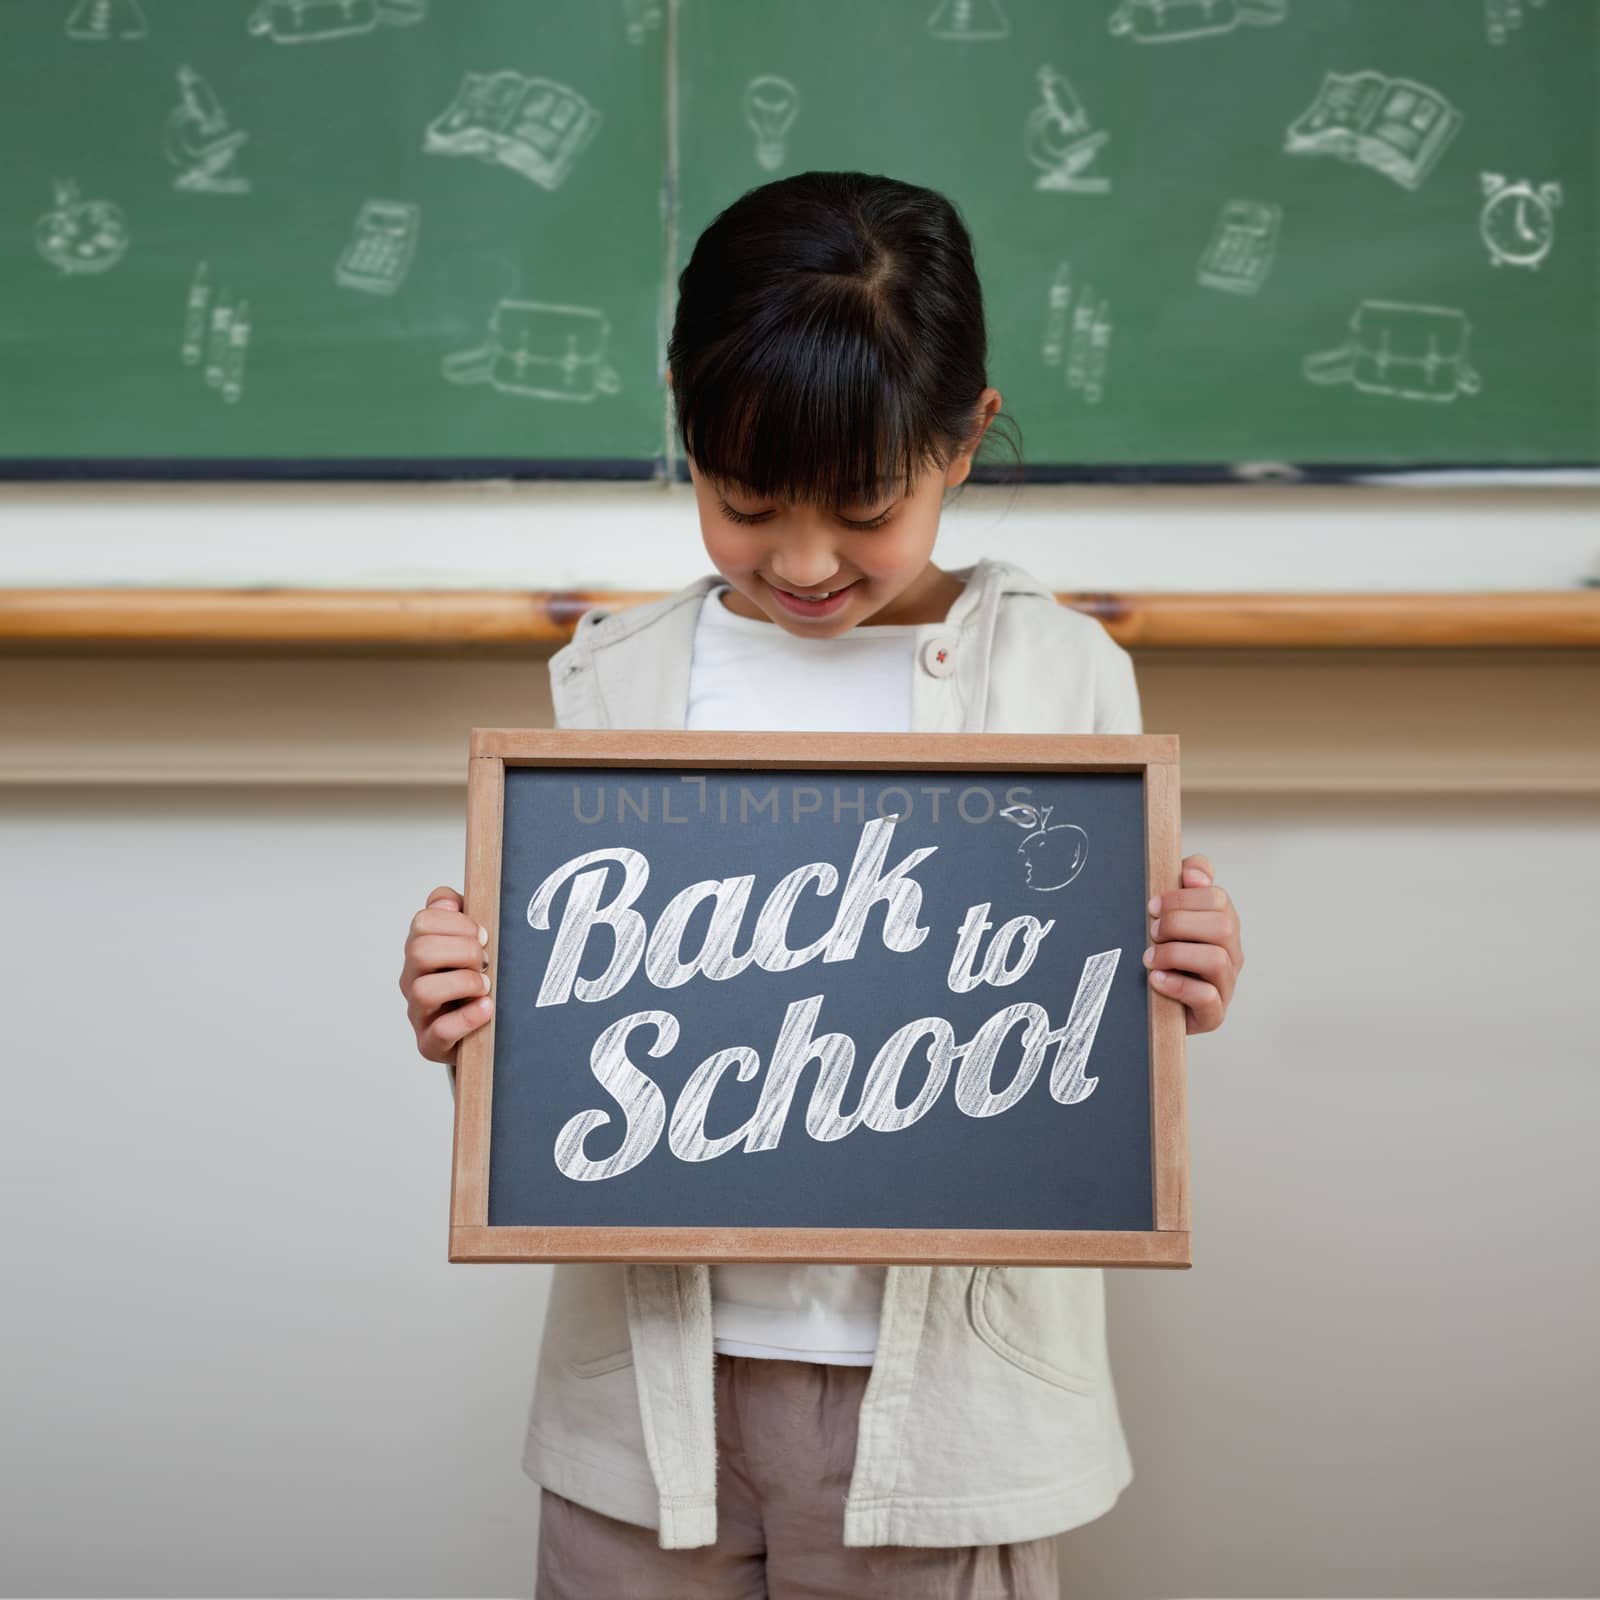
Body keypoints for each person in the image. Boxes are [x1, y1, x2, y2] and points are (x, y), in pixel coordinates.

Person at [398, 170, 1245, 1599]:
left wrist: (1181, 972)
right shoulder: (615, 681)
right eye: (743, 502)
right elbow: (571, 1052)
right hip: (652, 1402)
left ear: (963, 442)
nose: (802, 559)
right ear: (683, 417)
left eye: (862, 506)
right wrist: (468, 1012)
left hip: (944, 1416)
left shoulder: (1058, 678)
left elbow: (1092, 1027)